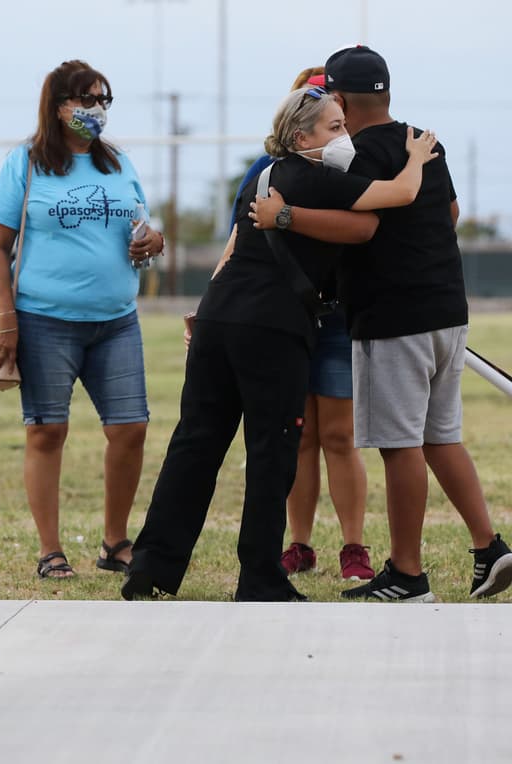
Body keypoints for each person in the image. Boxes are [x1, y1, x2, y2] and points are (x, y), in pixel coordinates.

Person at [122, 84, 437, 602]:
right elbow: (399, 194)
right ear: (301, 137)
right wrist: (418, 156)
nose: (345, 137)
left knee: (195, 443)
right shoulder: (317, 178)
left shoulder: (264, 176)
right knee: (272, 451)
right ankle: (261, 577)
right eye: (335, 127)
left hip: (220, 316)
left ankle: (150, 564)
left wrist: (203, 310)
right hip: (272, 327)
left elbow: (235, 246)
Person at [252, 45, 512, 601]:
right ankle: (490, 547)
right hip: (449, 309)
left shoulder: (351, 156)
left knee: (400, 446)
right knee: (441, 437)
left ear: (340, 102)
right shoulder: (423, 140)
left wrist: (286, 216)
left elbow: (358, 227)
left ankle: (407, 574)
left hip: (392, 316)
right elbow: (450, 214)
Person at [0, 60, 163, 579]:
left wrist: (154, 241)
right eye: (86, 100)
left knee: (130, 429)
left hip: (117, 321)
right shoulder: (26, 163)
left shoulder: (118, 163)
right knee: (47, 432)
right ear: (58, 107)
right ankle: (50, 550)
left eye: (104, 100)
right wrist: (6, 319)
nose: (97, 109)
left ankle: (114, 542)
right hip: (44, 321)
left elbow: (144, 227)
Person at [224, 67, 374, 582]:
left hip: (336, 316)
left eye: (337, 109)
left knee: (339, 435)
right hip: (283, 317)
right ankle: (299, 544)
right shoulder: (267, 169)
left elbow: (374, 222)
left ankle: (354, 546)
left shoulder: (354, 164)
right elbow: (239, 235)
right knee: (298, 435)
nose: (338, 125)